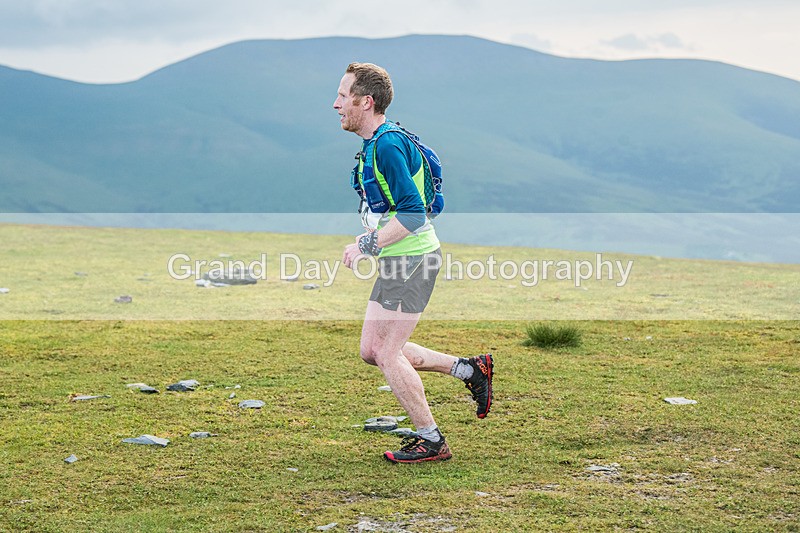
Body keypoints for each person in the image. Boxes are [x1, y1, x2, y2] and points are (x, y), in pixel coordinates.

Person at [334, 62, 494, 463]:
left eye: (342, 96)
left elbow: (412, 215)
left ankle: (432, 440)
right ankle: (469, 370)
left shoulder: (387, 145)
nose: (335, 105)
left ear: (365, 101)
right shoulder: (378, 142)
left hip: (413, 260)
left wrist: (367, 244)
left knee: (389, 352)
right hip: (398, 259)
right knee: (372, 350)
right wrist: (371, 238)